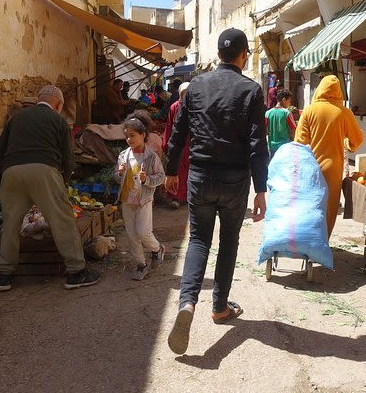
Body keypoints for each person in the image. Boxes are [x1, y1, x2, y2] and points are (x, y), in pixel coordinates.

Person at [165, 28, 268, 355]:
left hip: (200, 175)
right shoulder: (251, 90)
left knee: (198, 239)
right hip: (235, 181)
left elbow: (178, 132)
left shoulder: (196, 86)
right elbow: (257, 145)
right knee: (228, 241)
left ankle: (187, 303)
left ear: (220, 54)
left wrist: (170, 171)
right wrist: (261, 190)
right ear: (243, 55)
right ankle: (220, 306)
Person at [0, 85, 99, 291]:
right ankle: (76, 272)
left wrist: (3, 176)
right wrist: (62, 181)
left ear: (38, 99)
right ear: (58, 105)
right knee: (63, 220)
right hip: (44, 170)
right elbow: (68, 159)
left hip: (11, 172)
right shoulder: (59, 120)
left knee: (11, 224)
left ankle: (4, 275)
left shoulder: (16, 118)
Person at [294, 75, 364, 237]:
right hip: (333, 169)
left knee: (310, 205)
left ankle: (307, 241)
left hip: (310, 166)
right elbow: (358, 139)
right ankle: (322, 244)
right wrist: (348, 145)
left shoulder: (309, 110)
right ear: (338, 92)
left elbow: (299, 142)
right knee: (329, 208)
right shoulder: (344, 112)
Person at [115, 111, 166, 280]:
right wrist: (119, 173)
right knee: (132, 234)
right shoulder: (124, 155)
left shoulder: (151, 157)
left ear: (143, 135)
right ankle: (141, 265)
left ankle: (158, 249)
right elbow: (116, 177)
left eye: (133, 135)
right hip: (127, 200)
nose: (129, 139)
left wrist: (146, 179)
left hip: (144, 200)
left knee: (143, 232)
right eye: (127, 136)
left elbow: (161, 177)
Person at [162, 82, 190, 209]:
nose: (185, 96)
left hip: (191, 144)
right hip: (178, 144)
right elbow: (169, 126)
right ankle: (176, 198)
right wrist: (166, 144)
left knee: (190, 171)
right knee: (177, 170)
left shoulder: (196, 106)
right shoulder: (174, 107)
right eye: (183, 93)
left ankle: (189, 197)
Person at [265, 89, 297, 160]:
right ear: (284, 99)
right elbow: (293, 130)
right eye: (289, 101)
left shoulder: (268, 113)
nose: (290, 103)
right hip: (284, 147)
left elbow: (265, 130)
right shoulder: (287, 113)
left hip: (272, 146)